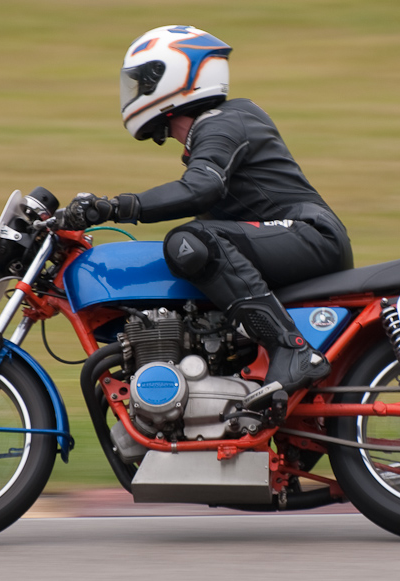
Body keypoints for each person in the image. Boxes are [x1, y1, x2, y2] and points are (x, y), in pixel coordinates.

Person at [63, 25, 353, 411]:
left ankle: (293, 350)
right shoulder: (214, 128)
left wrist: (116, 207)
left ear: (175, 76)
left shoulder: (225, 120)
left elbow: (201, 188)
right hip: (292, 241)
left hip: (310, 236)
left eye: (142, 80)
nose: (133, 91)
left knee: (192, 241)